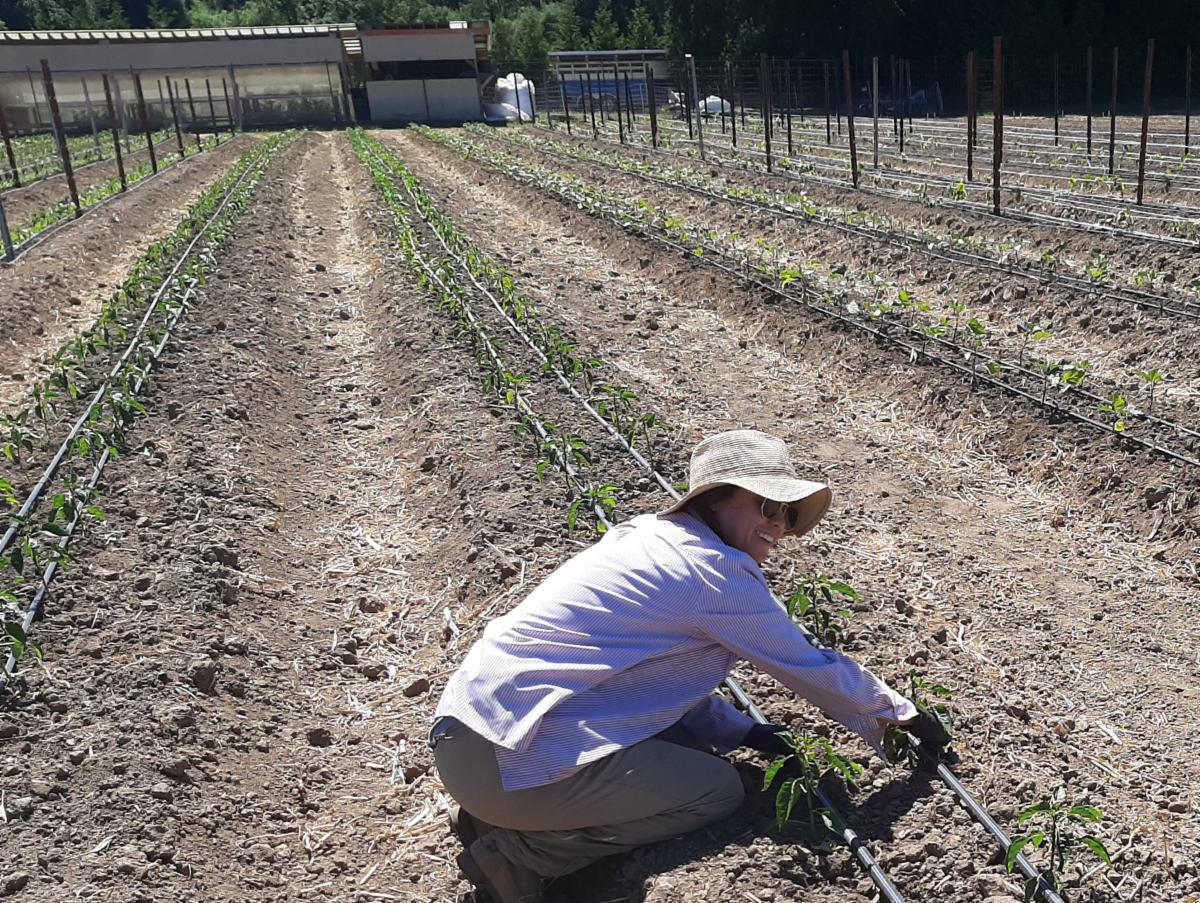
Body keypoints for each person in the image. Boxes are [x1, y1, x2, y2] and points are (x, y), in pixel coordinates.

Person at [430, 429, 949, 903]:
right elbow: (807, 665)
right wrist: (898, 714)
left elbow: (641, 684)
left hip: (475, 738)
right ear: (716, 498)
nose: (779, 525)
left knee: (687, 749)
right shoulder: (711, 572)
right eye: (767, 504)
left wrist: (747, 731)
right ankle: (519, 857)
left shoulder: (649, 539)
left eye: (788, 514)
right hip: (506, 759)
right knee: (714, 790)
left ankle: (497, 816)